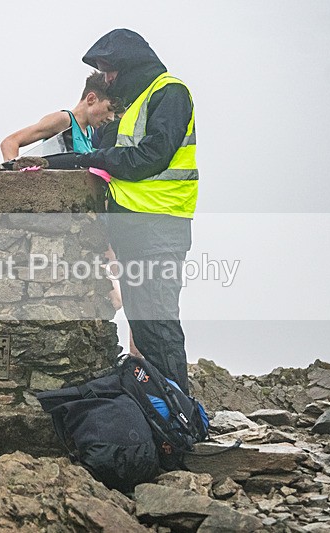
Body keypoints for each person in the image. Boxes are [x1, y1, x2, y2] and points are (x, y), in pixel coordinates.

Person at [75, 29, 199, 394]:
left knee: (158, 324)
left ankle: (180, 417)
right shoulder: (135, 102)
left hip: (161, 225)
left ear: (130, 63)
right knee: (145, 325)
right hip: (135, 227)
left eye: (109, 69)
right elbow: (104, 153)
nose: (108, 78)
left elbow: (150, 157)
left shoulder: (170, 92)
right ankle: (166, 412)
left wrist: (99, 158)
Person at [0, 72, 117, 161]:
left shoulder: (90, 131)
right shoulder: (64, 120)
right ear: (91, 99)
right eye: (109, 109)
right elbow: (10, 142)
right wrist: (15, 180)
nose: (111, 118)